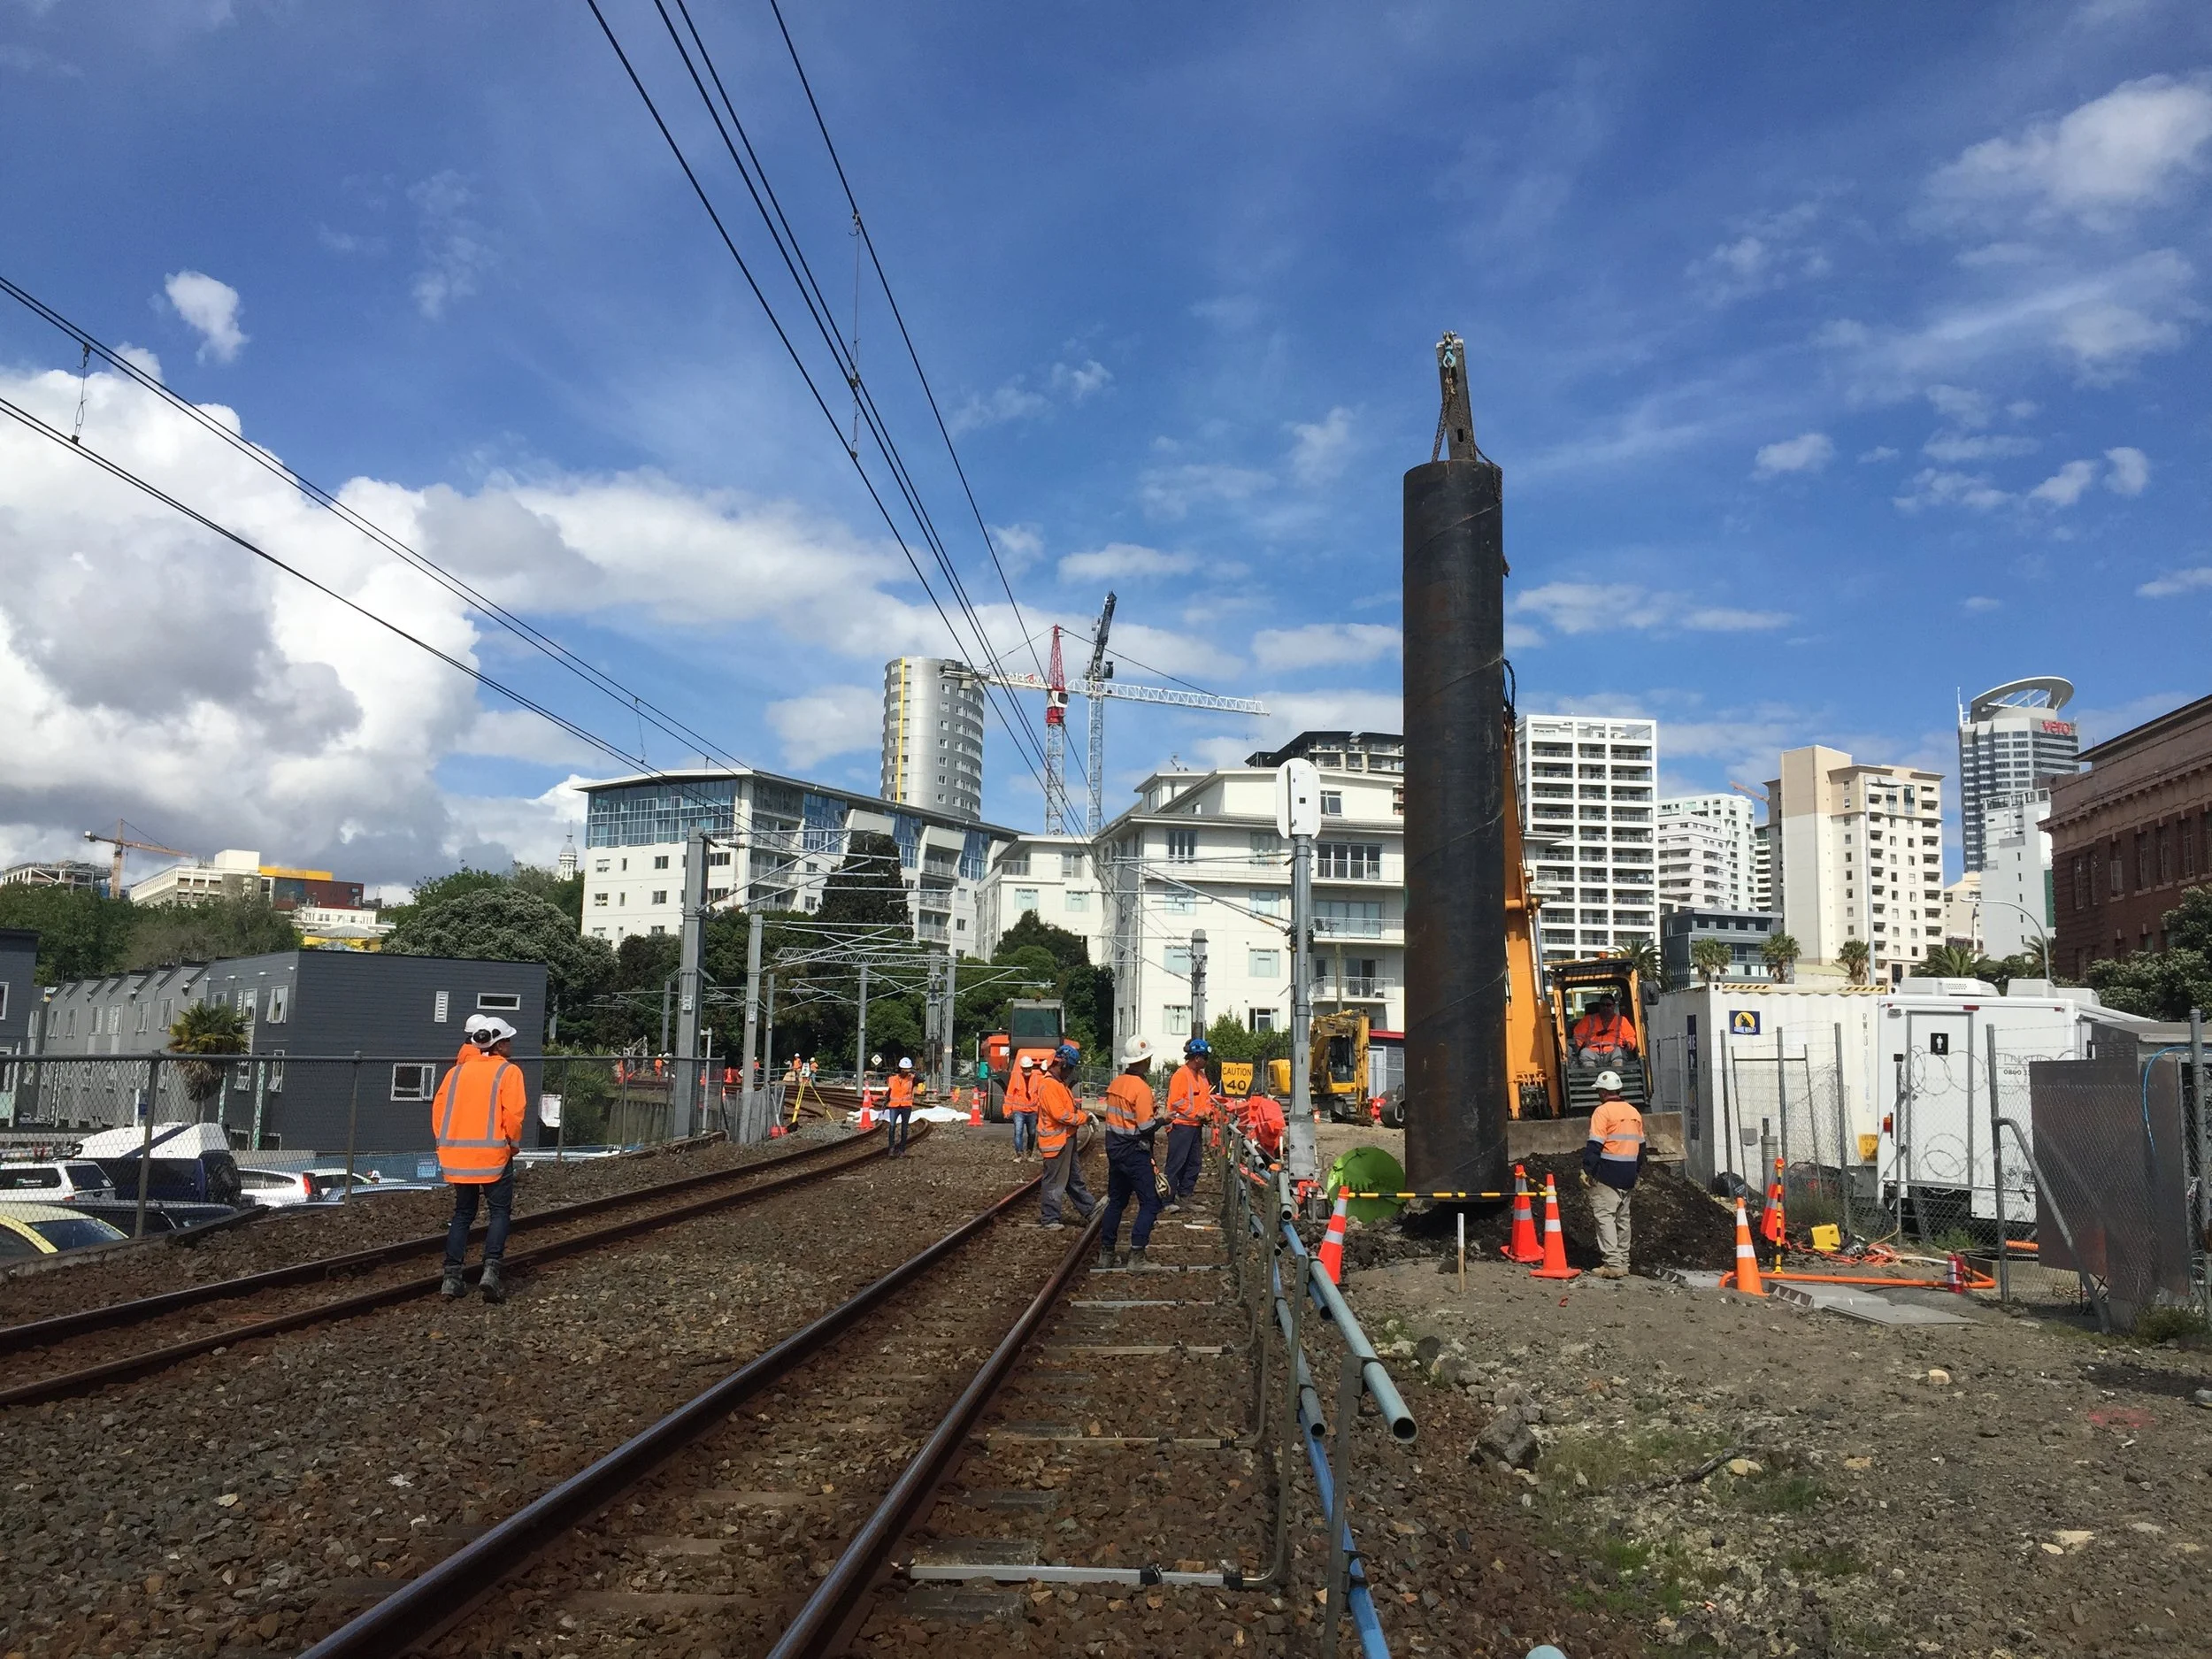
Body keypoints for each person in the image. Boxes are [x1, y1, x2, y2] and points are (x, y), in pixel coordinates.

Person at [434, 1014, 530, 1303]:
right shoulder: (508, 1072)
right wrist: (512, 1146)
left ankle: (452, 1278)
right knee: (499, 1212)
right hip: (494, 1156)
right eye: (508, 1040)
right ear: (498, 1045)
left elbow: (439, 1113)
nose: (511, 1045)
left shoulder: (456, 1073)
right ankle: (490, 1272)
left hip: (457, 1157)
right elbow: (513, 1116)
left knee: (463, 1214)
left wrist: (445, 1145)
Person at [1097, 1035, 1164, 1268]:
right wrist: (1163, 1120)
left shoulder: (1116, 1084)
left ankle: (1106, 1253)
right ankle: (1137, 1256)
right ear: (1145, 1061)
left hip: (1115, 1150)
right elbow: (1145, 1126)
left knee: (1117, 1201)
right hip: (1135, 1152)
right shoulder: (1142, 1089)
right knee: (1151, 1202)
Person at [1581, 1070, 1647, 1279]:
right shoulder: (1633, 1112)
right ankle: (1623, 1261)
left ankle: (1612, 1264)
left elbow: (1595, 1145)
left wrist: (1587, 1169)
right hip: (1628, 1173)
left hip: (1608, 1173)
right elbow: (1642, 1149)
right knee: (1623, 1219)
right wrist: (1636, 1172)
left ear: (1602, 1092)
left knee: (1605, 1217)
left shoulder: (1602, 1112)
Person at [1033, 1043, 1094, 1229]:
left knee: (1072, 1178)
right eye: (1071, 1069)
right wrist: (1084, 1118)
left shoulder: (1058, 1084)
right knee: (1053, 1181)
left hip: (1065, 1139)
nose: (1070, 1073)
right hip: (1055, 1141)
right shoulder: (1049, 1085)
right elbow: (1060, 1114)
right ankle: (1050, 1218)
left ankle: (1090, 1209)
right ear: (1064, 1065)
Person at [1163, 1038, 1216, 1207]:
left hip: (1194, 1126)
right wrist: (1197, 1114)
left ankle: (1185, 1194)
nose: (1206, 1061)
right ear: (1197, 1058)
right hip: (1180, 1126)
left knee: (1194, 1163)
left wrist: (1207, 1113)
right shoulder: (1181, 1075)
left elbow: (1205, 1098)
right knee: (1176, 1163)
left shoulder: (1201, 1076)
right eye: (1205, 1058)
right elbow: (1177, 1102)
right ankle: (1167, 1199)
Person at [1570, 994, 1635, 1077]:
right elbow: (1578, 1036)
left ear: (1613, 1006)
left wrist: (1629, 1044)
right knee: (1585, 1052)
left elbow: (1630, 1036)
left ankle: (1617, 1076)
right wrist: (1578, 1047)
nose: (1605, 1008)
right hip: (1592, 1052)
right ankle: (1592, 1076)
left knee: (1619, 1053)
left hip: (1613, 1052)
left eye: (1608, 1005)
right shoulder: (1588, 1019)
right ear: (1599, 1006)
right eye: (1603, 1005)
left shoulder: (1622, 1020)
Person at [1005, 1053, 1041, 1158]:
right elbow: (1009, 1095)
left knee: (1032, 1133)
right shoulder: (1015, 1077)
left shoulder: (1037, 1078)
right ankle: (1019, 1154)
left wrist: (1041, 1111)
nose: (1027, 1071)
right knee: (1018, 1132)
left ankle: (1029, 1153)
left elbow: (1040, 1095)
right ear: (1021, 1068)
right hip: (1019, 1110)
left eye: (1029, 1069)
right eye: (1025, 1069)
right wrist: (1007, 1110)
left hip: (1032, 1111)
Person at [885, 1056, 918, 1156]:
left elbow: (922, 1078)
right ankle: (891, 1148)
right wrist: (885, 1102)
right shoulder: (892, 1079)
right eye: (904, 1070)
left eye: (907, 1070)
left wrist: (912, 1070)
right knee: (892, 1127)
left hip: (906, 1106)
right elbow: (889, 1091)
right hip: (894, 1106)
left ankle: (902, 1150)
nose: (906, 1072)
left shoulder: (912, 1078)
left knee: (904, 1129)